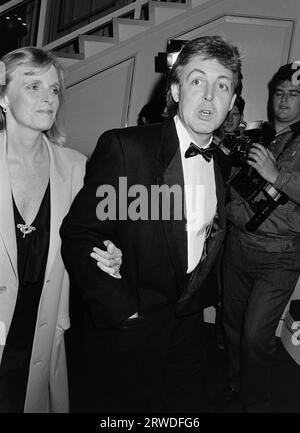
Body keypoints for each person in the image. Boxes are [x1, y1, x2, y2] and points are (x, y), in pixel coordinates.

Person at [60, 34, 242, 413]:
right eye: (197, 81)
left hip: (189, 329)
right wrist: (123, 310)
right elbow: (81, 233)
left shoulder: (223, 163)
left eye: (222, 85)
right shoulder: (128, 150)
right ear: (175, 89)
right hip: (131, 328)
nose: (210, 96)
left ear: (232, 100)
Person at [0, 46, 119, 413]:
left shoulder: (78, 168)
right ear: (3, 96)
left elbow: (96, 237)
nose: (49, 98)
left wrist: (110, 255)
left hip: (42, 331)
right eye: (33, 86)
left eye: (54, 90)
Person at [222, 62, 300, 412]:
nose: (284, 100)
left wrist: (277, 175)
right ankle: (238, 385)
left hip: (280, 255)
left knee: (256, 335)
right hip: (238, 247)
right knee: (233, 326)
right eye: (279, 92)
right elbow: (231, 185)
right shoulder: (254, 132)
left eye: (294, 94)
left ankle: (256, 403)